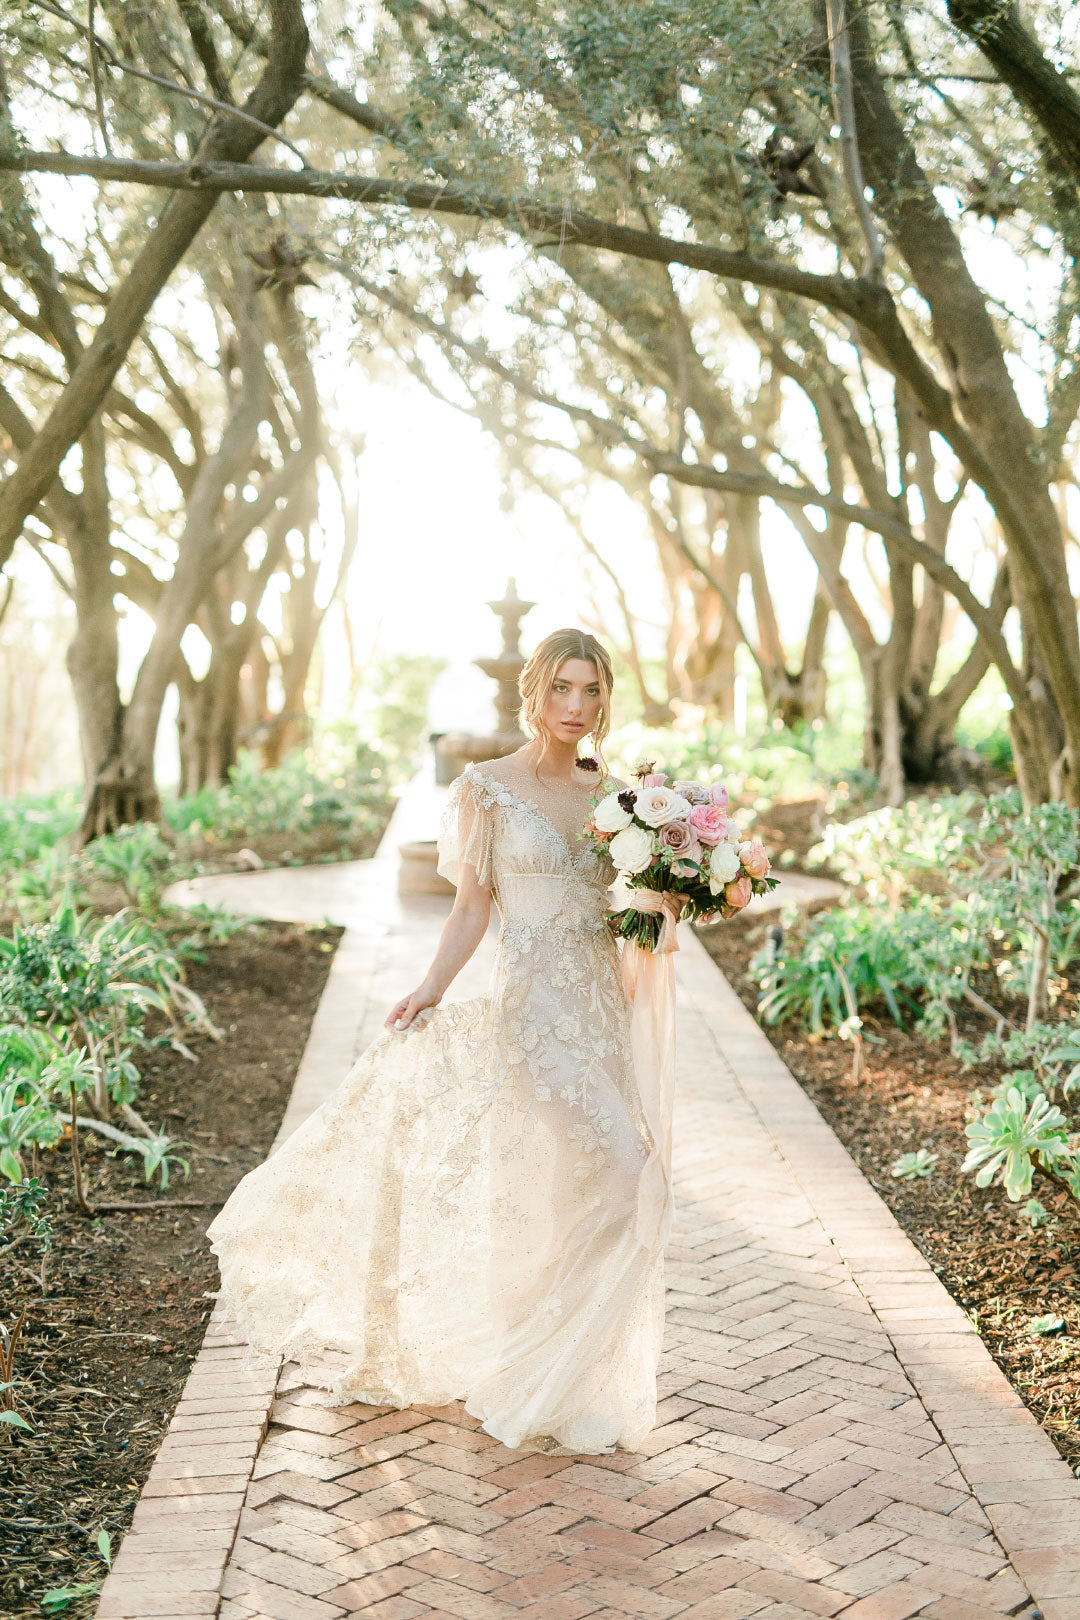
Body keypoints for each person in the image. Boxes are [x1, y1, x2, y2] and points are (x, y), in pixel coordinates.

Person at [207, 628, 677, 1455]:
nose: (576, 706)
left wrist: (681, 895)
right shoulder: (486, 789)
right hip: (534, 1017)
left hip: (603, 1010)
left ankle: (561, 1380)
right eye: (562, 688)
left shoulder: (623, 801)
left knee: (576, 1190)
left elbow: (629, 913)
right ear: (534, 692)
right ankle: (536, 1364)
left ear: (605, 700)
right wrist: (430, 987)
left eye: (591, 691)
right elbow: (470, 908)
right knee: (625, 1173)